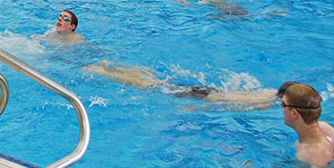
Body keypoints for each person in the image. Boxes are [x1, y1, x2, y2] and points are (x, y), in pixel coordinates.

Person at [85, 62, 279, 106]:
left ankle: (263, 98)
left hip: (172, 88)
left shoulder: (149, 85)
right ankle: (265, 97)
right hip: (176, 88)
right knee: (219, 95)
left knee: (219, 96)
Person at [280, 82, 334, 168]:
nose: (282, 109)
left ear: (294, 113)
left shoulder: (312, 156)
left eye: (283, 104)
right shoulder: (328, 129)